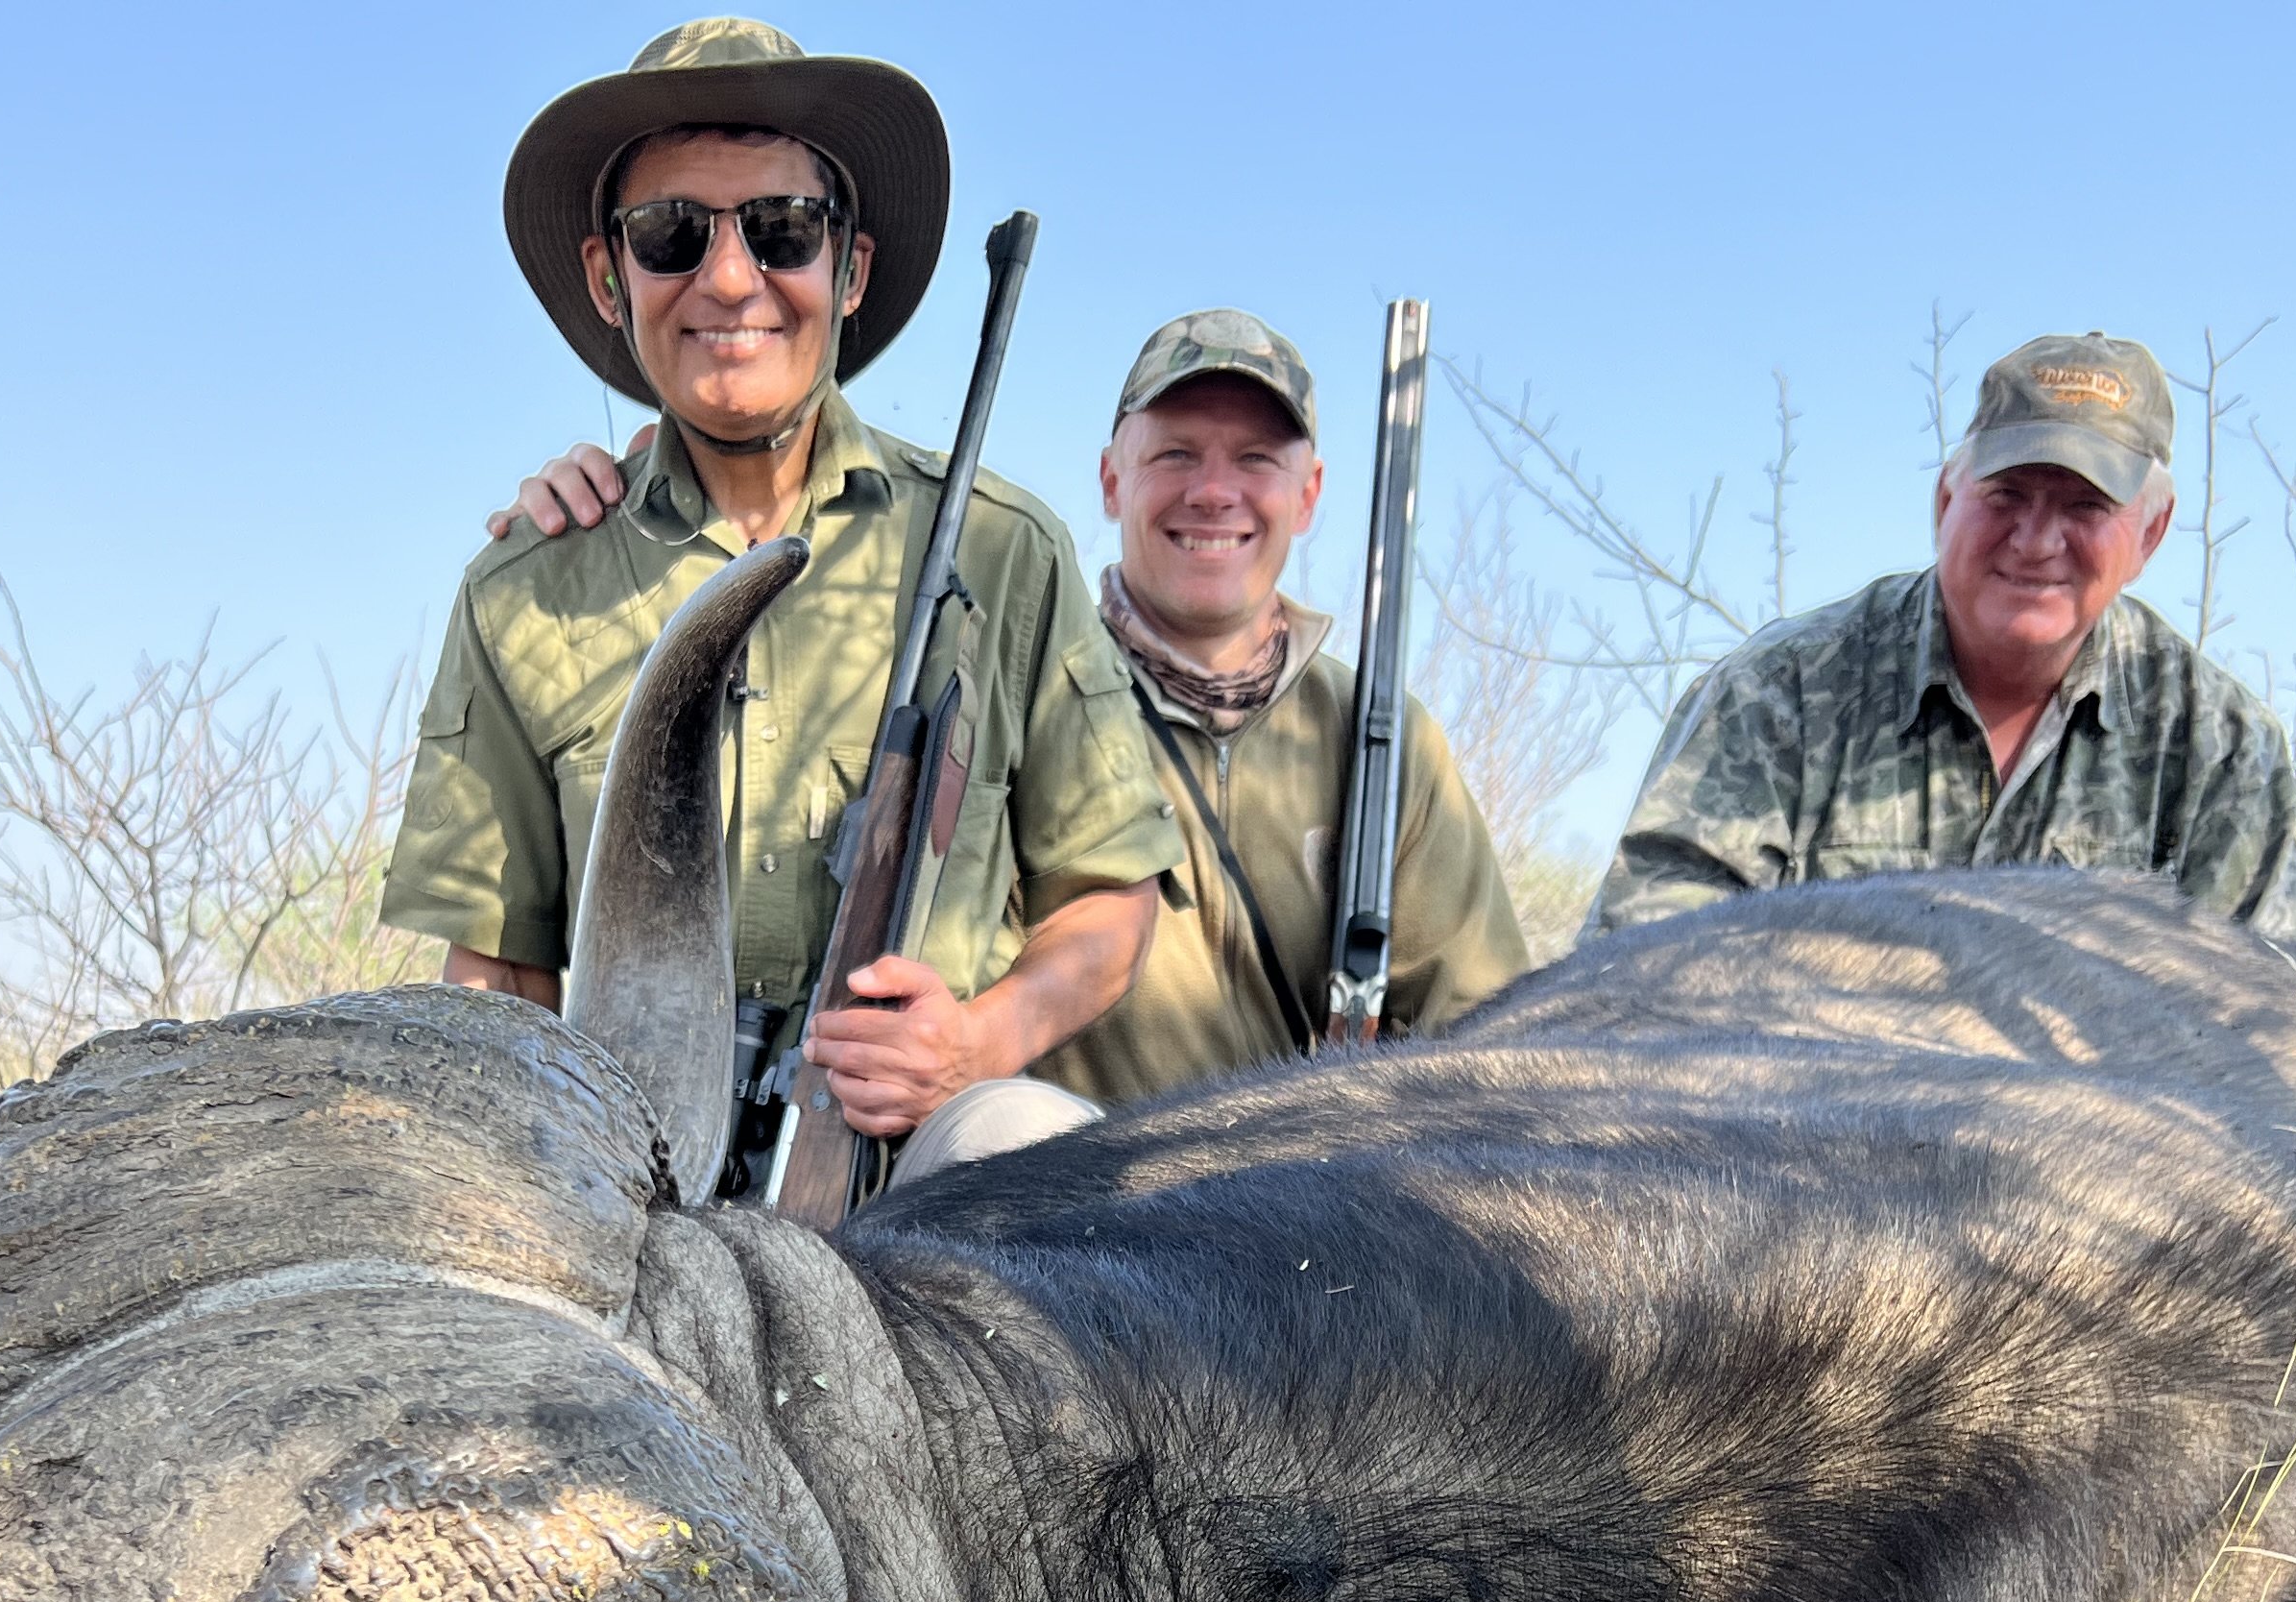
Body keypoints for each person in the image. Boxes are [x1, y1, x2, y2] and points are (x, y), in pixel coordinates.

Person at [382, 18, 1175, 1183]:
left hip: (910, 1169)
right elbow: (496, 974)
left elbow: (1111, 896)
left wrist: (972, 1045)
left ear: (847, 268)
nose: (731, 277)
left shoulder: (1007, 550)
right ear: (612, 277)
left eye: (783, 229)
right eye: (671, 234)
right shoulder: (525, 589)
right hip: (624, 1182)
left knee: (1031, 1146)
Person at [493, 310, 1536, 1110]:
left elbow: (1494, 1037)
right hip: (1052, 1239)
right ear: (1111, 479)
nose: (1214, 493)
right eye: (1175, 454)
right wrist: (644, 498)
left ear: (1307, 497)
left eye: (1257, 461)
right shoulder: (1009, 656)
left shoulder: (1387, 744)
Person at [1583, 332, 2296, 941]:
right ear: (1945, 500)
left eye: (2086, 507)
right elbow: (1641, 971)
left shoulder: (2219, 750)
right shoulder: (1778, 694)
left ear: (2150, 535)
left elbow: (2278, 1039)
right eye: (2006, 496)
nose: (2035, 541)